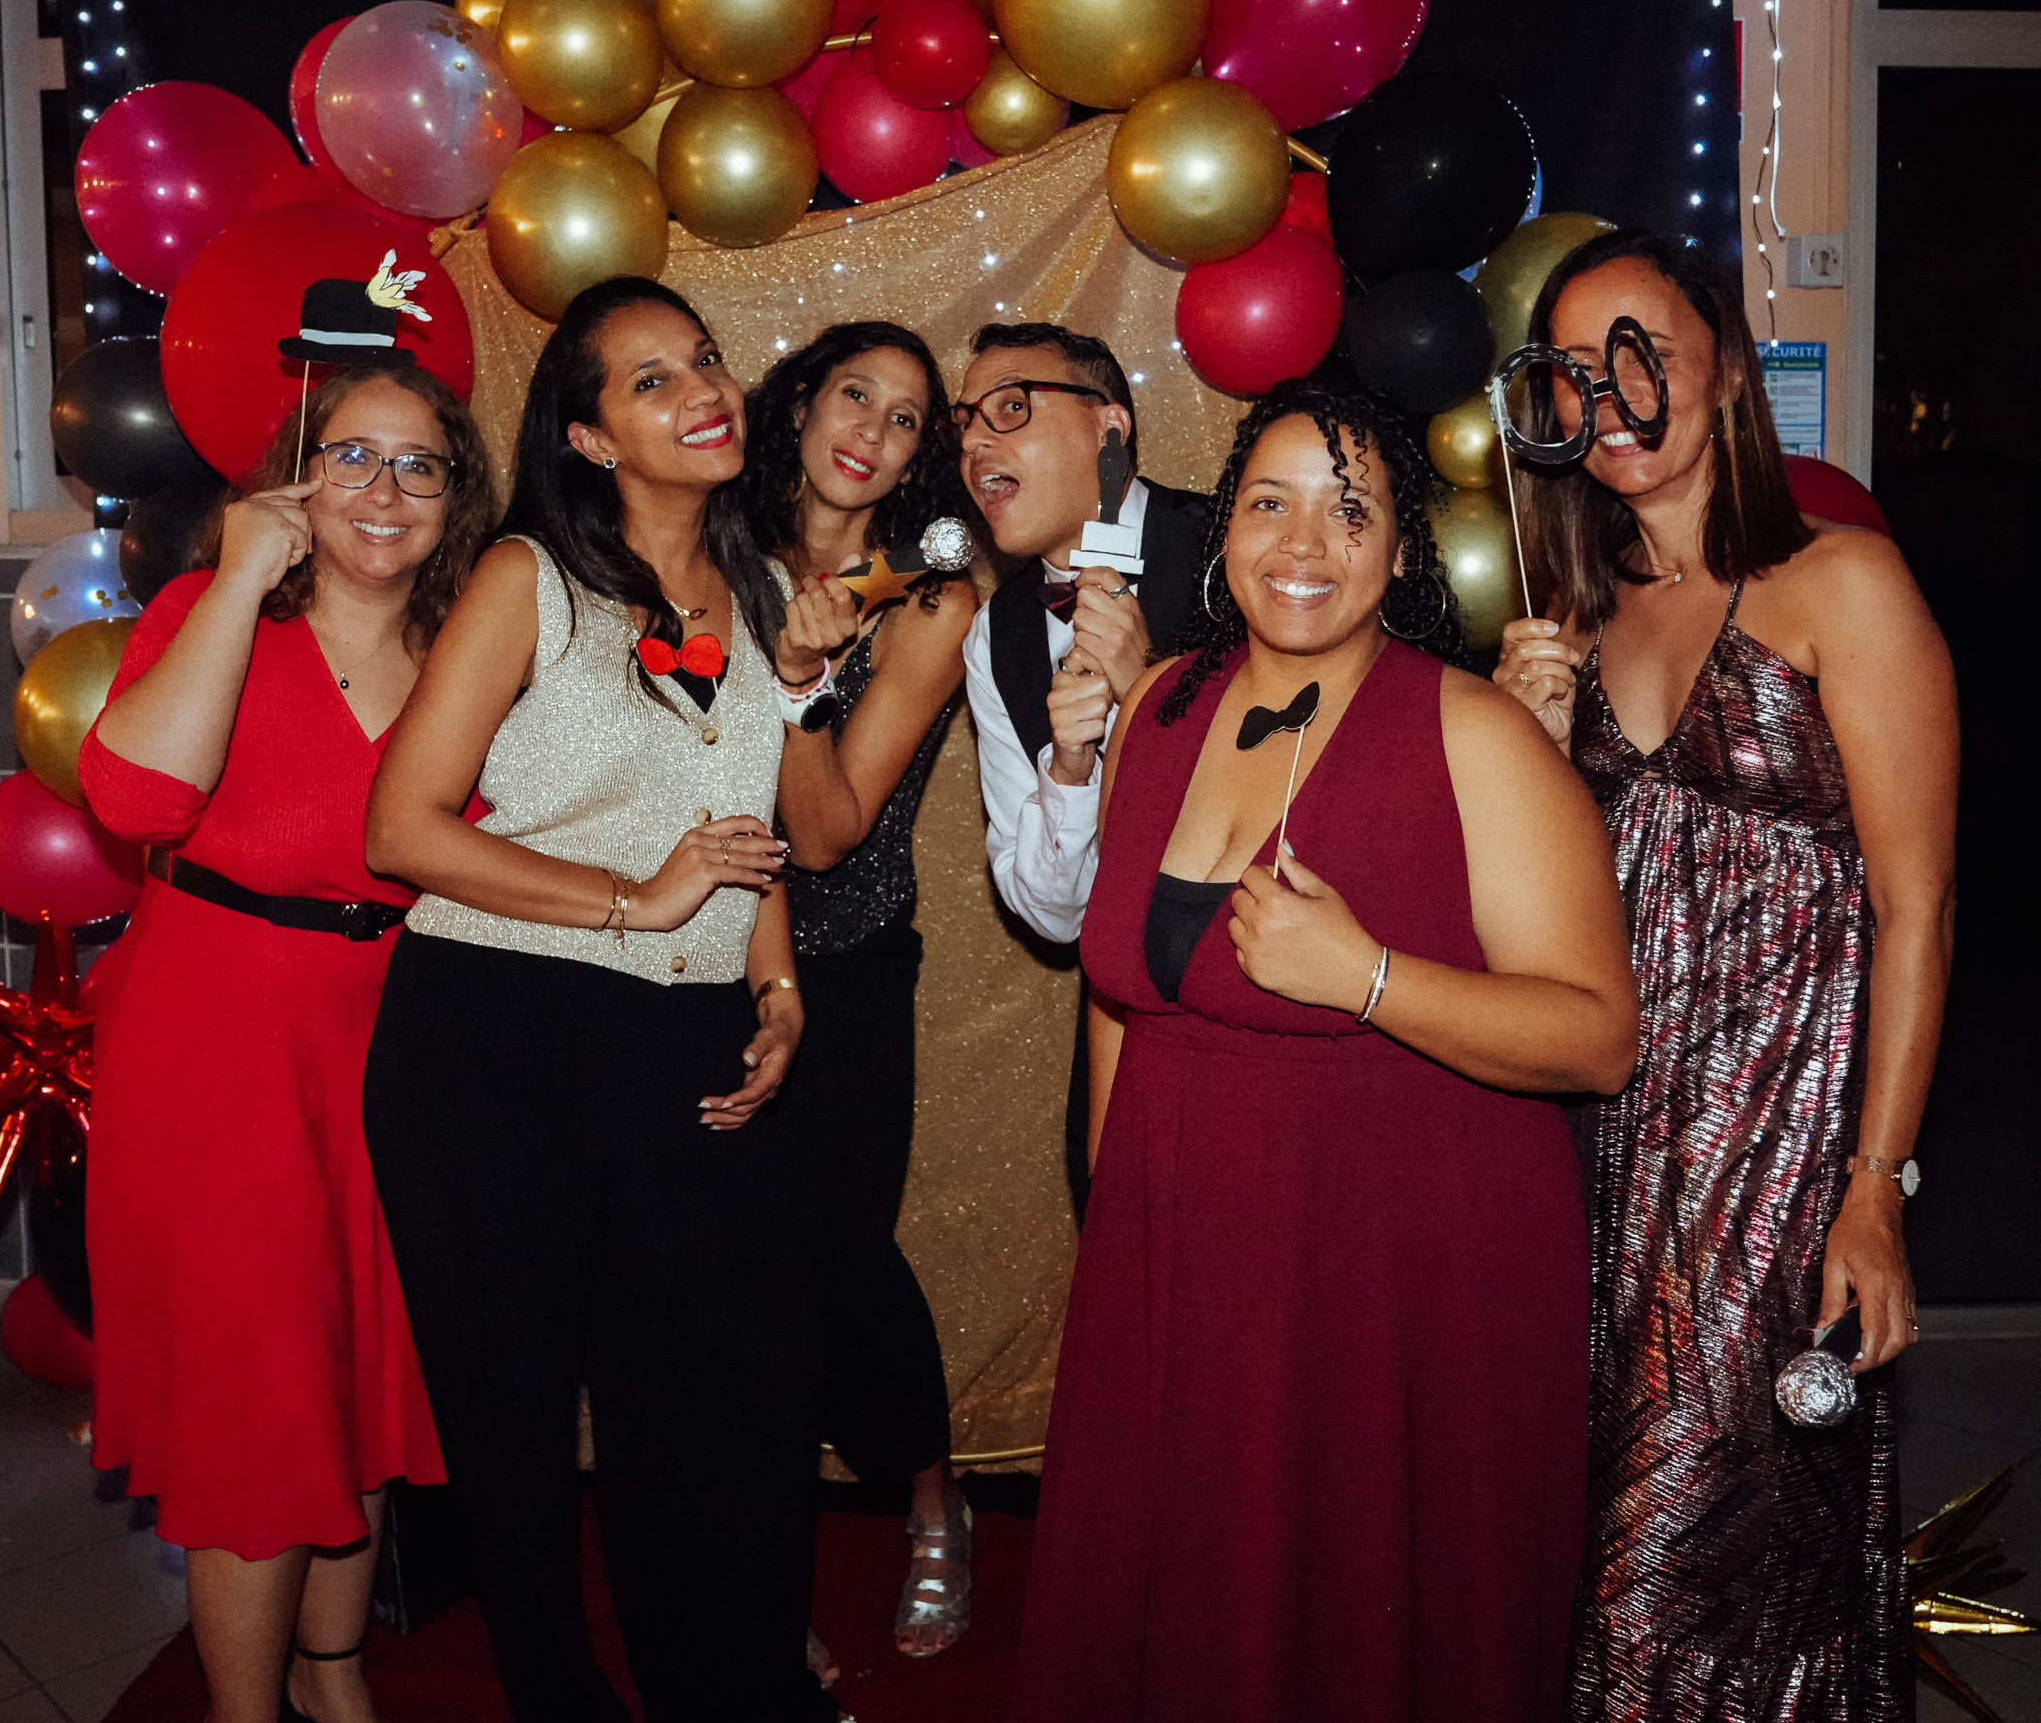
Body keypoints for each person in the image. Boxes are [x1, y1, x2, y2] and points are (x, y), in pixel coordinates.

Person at [1015, 380, 1640, 1723]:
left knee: (1359, 1625)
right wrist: (1119, 1228)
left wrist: (1366, 977)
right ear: (1224, 533)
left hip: (1400, 1282)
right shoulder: (1159, 707)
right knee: (1185, 1610)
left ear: (1404, 553)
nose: (1303, 543)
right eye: (1270, 503)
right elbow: (1119, 993)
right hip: (1183, 1257)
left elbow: (1597, 1037)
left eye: (1350, 514)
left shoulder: (1472, 733)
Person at [1493, 230, 1956, 1718]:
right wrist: (1524, 745)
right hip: (1602, 1148)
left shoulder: (1841, 582)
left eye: (1640, 351)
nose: (1609, 394)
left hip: (1776, 1160)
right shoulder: (1575, 615)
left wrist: (1876, 1186)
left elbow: (1917, 908)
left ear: (1728, 371)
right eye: (1575, 369)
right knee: (1590, 1540)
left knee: (1704, 1555)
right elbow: (1560, 907)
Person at [360, 277, 833, 1722]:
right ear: (587, 437)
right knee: (511, 1421)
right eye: (649, 380)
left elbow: (750, 829)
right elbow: (402, 827)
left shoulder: (761, 594)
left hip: (681, 1037)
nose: (703, 389)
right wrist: (635, 898)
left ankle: (727, 1688)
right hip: (494, 1034)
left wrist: (778, 988)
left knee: (706, 1402)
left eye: (704, 359)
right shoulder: (529, 578)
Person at [78, 355, 498, 1723]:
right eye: (351, 455)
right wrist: (240, 578)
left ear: (456, 496)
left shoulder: (470, 655)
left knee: (354, 1376)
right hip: (218, 1041)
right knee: (261, 1402)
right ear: (295, 477)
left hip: (390, 1042)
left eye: (419, 464)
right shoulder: (209, 611)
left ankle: (332, 1675)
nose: (384, 488)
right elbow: (137, 801)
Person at [724, 322, 980, 1663]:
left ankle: (933, 1500)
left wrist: (798, 681)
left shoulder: (928, 598)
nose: (870, 430)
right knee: (726, 1292)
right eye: (852, 395)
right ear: (799, 405)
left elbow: (823, 835)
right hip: (693, 951)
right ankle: (761, 1584)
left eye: (903, 417)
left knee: (839, 1265)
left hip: (848, 962)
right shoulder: (707, 552)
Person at [954, 321, 1211, 945]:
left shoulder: (1235, 553)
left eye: (1011, 407)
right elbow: (1055, 919)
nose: (973, 442)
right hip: (1122, 987)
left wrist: (1146, 689)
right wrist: (1069, 773)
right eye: (963, 423)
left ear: (1110, 432)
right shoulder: (994, 635)